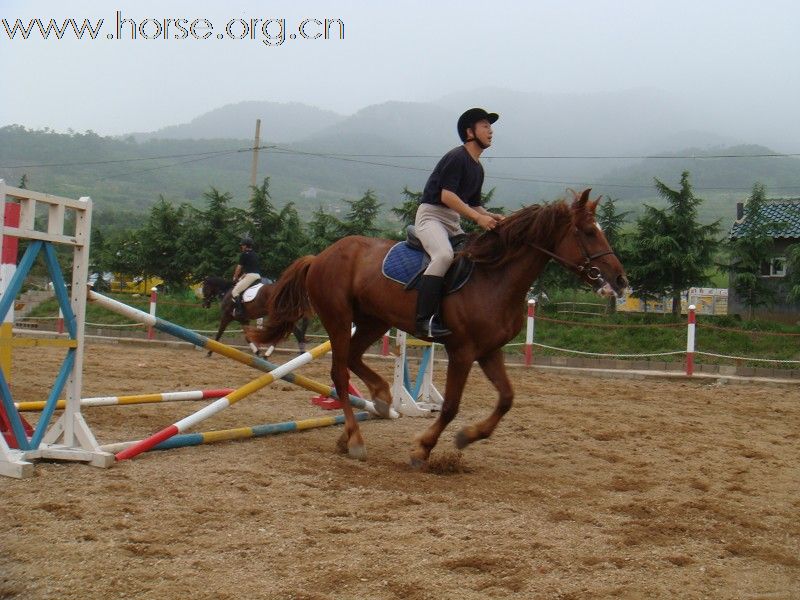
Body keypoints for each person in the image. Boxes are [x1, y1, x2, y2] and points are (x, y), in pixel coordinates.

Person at [413, 107, 504, 338]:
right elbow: (447, 196)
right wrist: (478, 218)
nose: (491, 131)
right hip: (432, 216)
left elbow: (474, 205)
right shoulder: (457, 157)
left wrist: (492, 216)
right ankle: (424, 321)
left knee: (470, 258)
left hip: (452, 221)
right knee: (443, 255)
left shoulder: (477, 167)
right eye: (485, 126)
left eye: (490, 126)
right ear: (470, 132)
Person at [231, 237, 261, 318]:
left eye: (242, 245)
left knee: (235, 292)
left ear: (246, 246)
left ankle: (239, 311)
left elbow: (239, 267)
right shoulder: (255, 254)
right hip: (257, 276)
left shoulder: (244, 254)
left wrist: (235, 277)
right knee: (241, 285)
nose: (241, 247)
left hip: (250, 276)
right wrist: (240, 278)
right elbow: (248, 270)